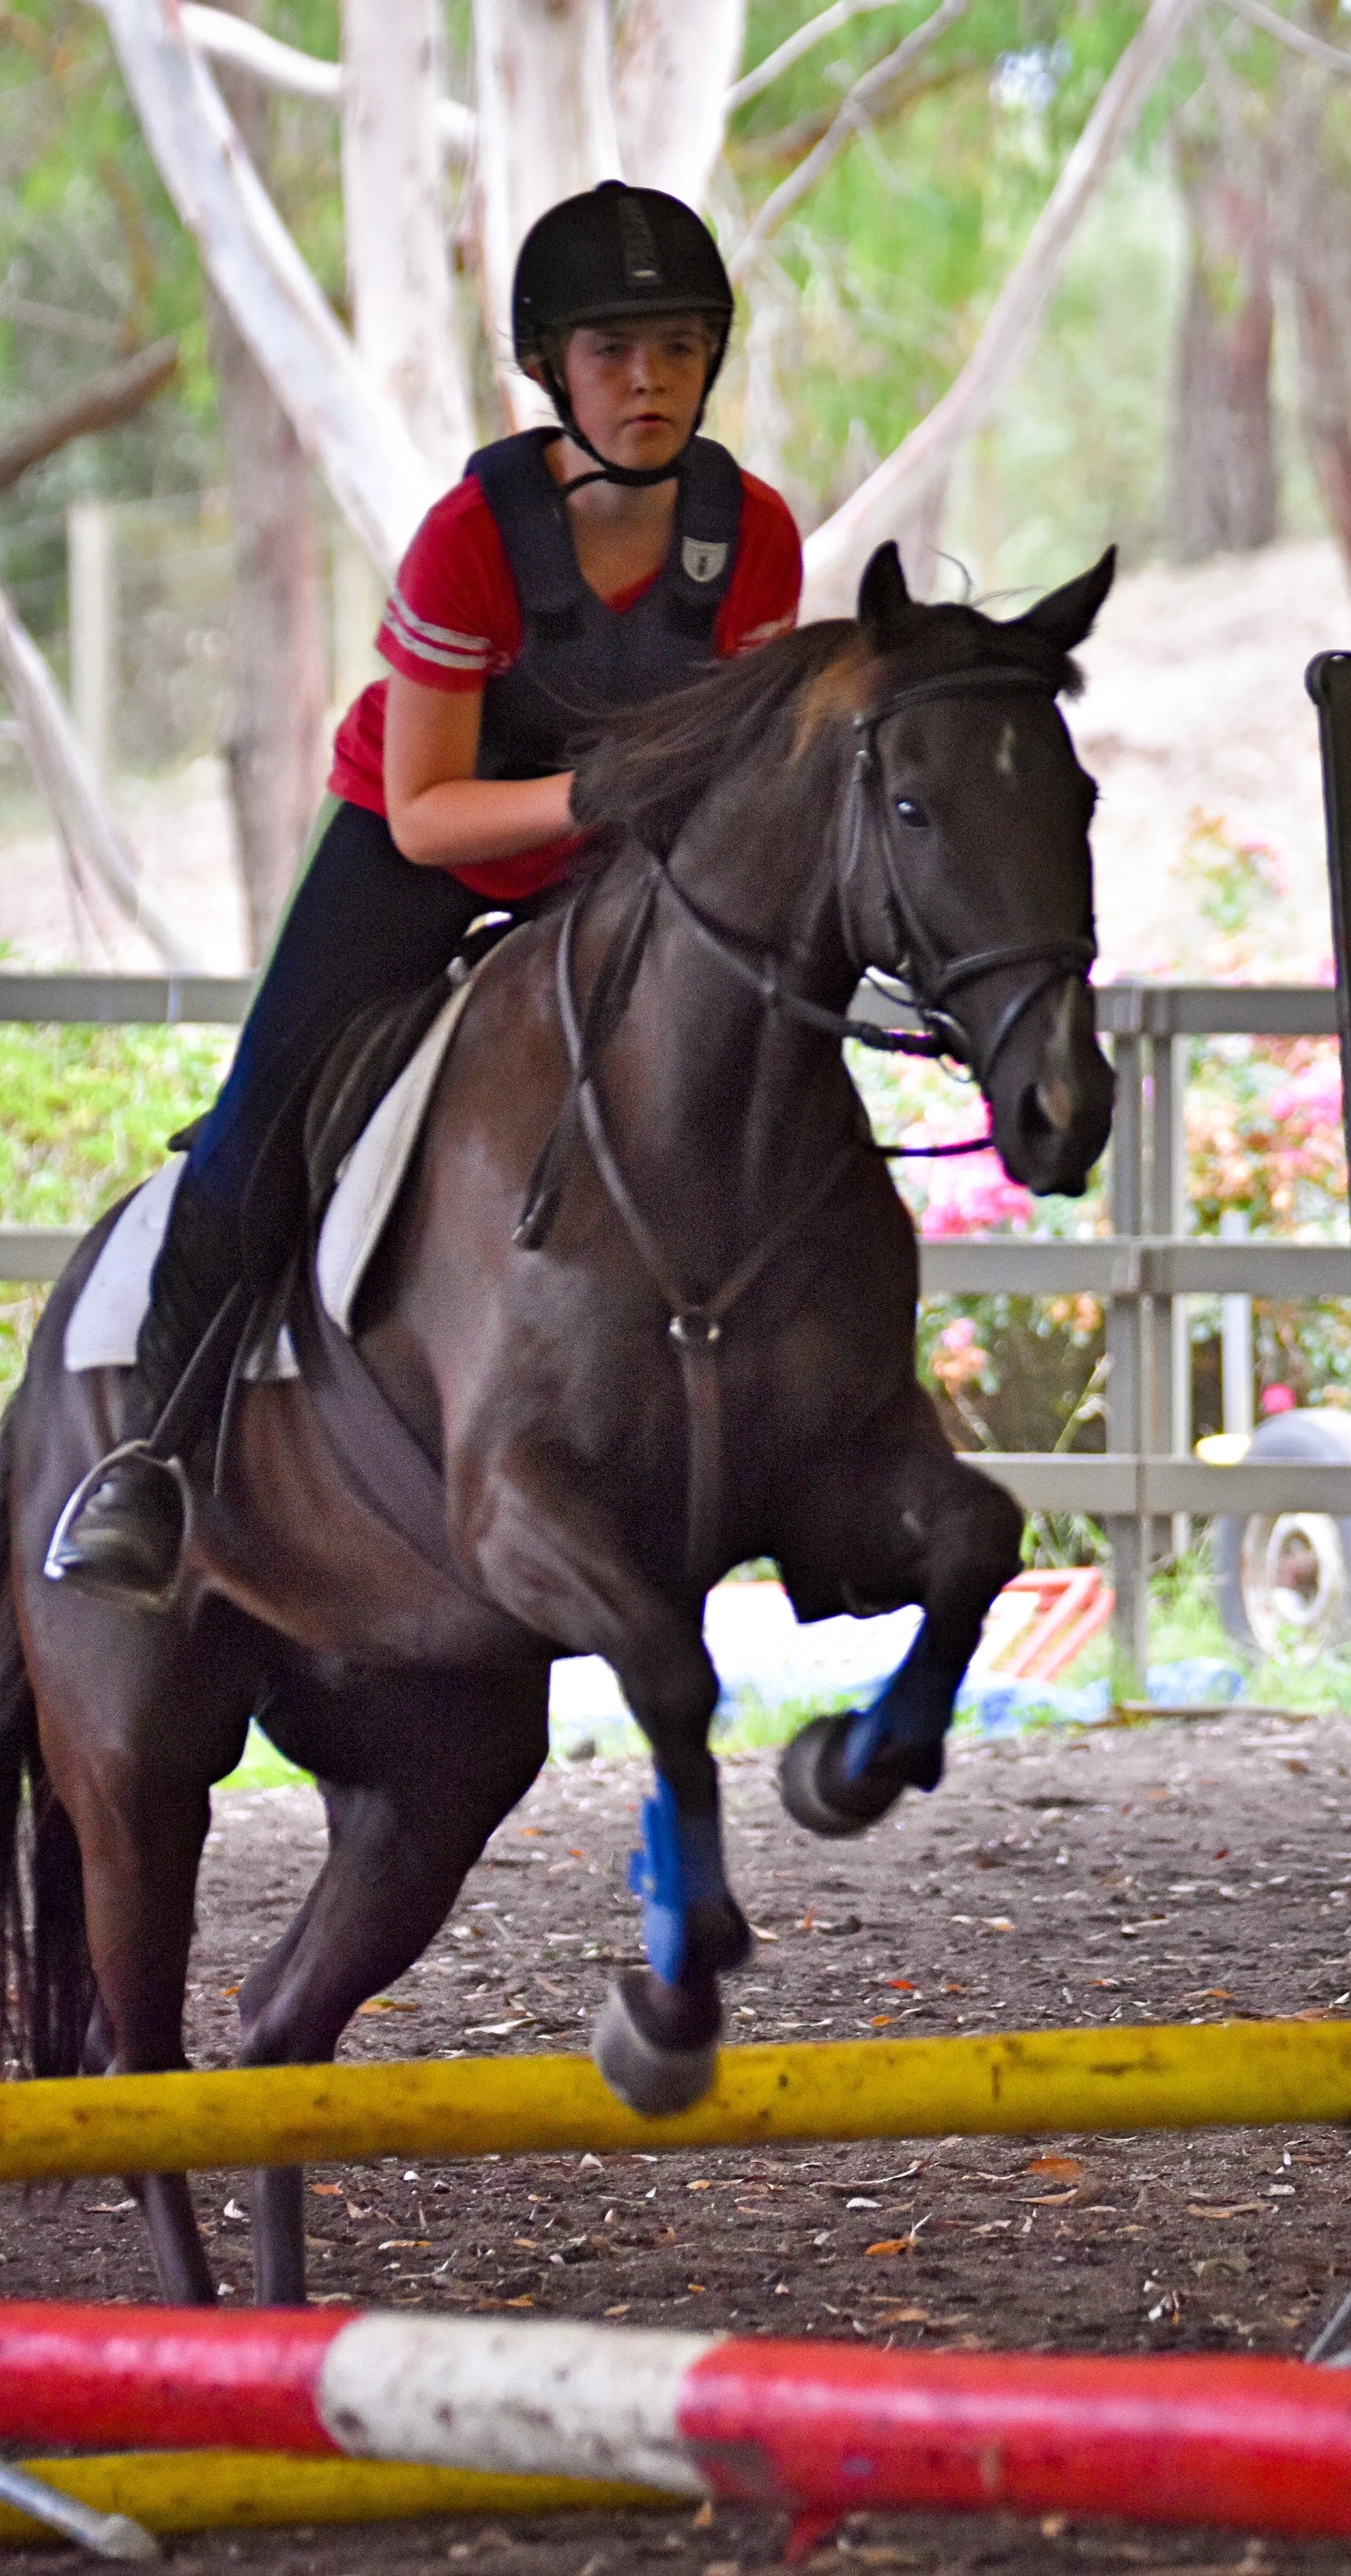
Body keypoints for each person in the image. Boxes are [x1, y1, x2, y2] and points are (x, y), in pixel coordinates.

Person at [47, 181, 802, 1609]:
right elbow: (427, 808)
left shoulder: (752, 531)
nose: (648, 381)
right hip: (417, 846)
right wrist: (599, 801)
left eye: (678, 350)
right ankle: (148, 1460)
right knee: (262, 1116)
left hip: (619, 866)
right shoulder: (471, 537)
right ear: (549, 374)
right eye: (611, 352)